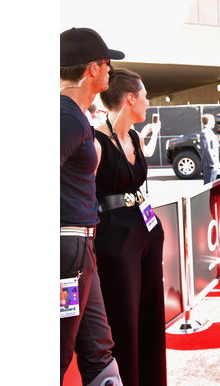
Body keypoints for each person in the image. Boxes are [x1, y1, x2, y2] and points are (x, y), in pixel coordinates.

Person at [93, 68, 166, 386]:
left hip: (147, 236)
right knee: (124, 321)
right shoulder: (95, 142)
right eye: (145, 95)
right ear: (130, 98)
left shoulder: (135, 136)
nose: (148, 102)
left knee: (150, 318)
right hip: (116, 242)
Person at [60, 27, 123, 386]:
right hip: (69, 247)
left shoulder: (73, 113)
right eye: (106, 62)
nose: (111, 69)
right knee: (57, 349)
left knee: (98, 349)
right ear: (91, 69)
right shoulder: (66, 115)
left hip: (80, 248)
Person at [200, 113, 220, 184]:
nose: (214, 123)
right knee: (208, 185)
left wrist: (217, 162)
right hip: (209, 165)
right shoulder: (204, 133)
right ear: (208, 121)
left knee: (213, 185)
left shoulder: (209, 132)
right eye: (213, 121)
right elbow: (207, 149)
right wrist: (213, 163)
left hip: (213, 163)